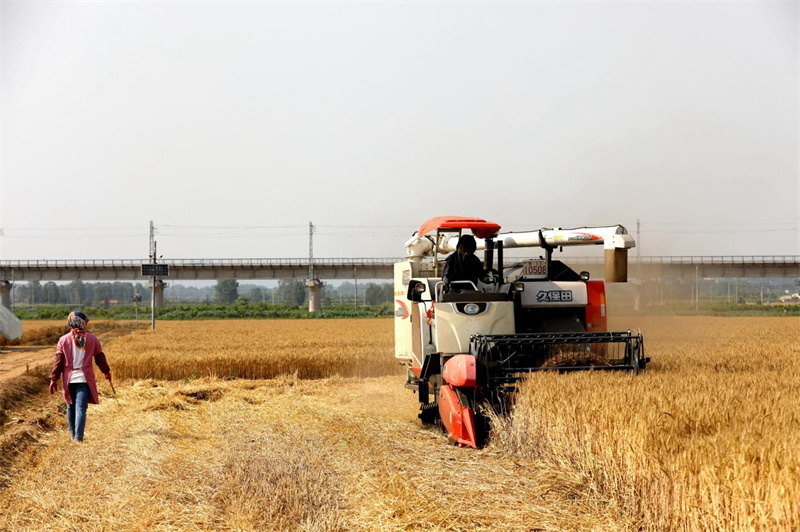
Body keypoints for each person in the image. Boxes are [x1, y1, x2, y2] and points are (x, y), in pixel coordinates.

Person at [49, 311, 112, 442]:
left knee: (70, 407)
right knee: (81, 408)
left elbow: (58, 361)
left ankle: (73, 437)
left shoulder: (63, 340)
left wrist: (53, 379)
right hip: (84, 379)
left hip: (69, 379)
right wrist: (106, 372)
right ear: (82, 323)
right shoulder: (92, 339)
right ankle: (78, 439)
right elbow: (100, 358)